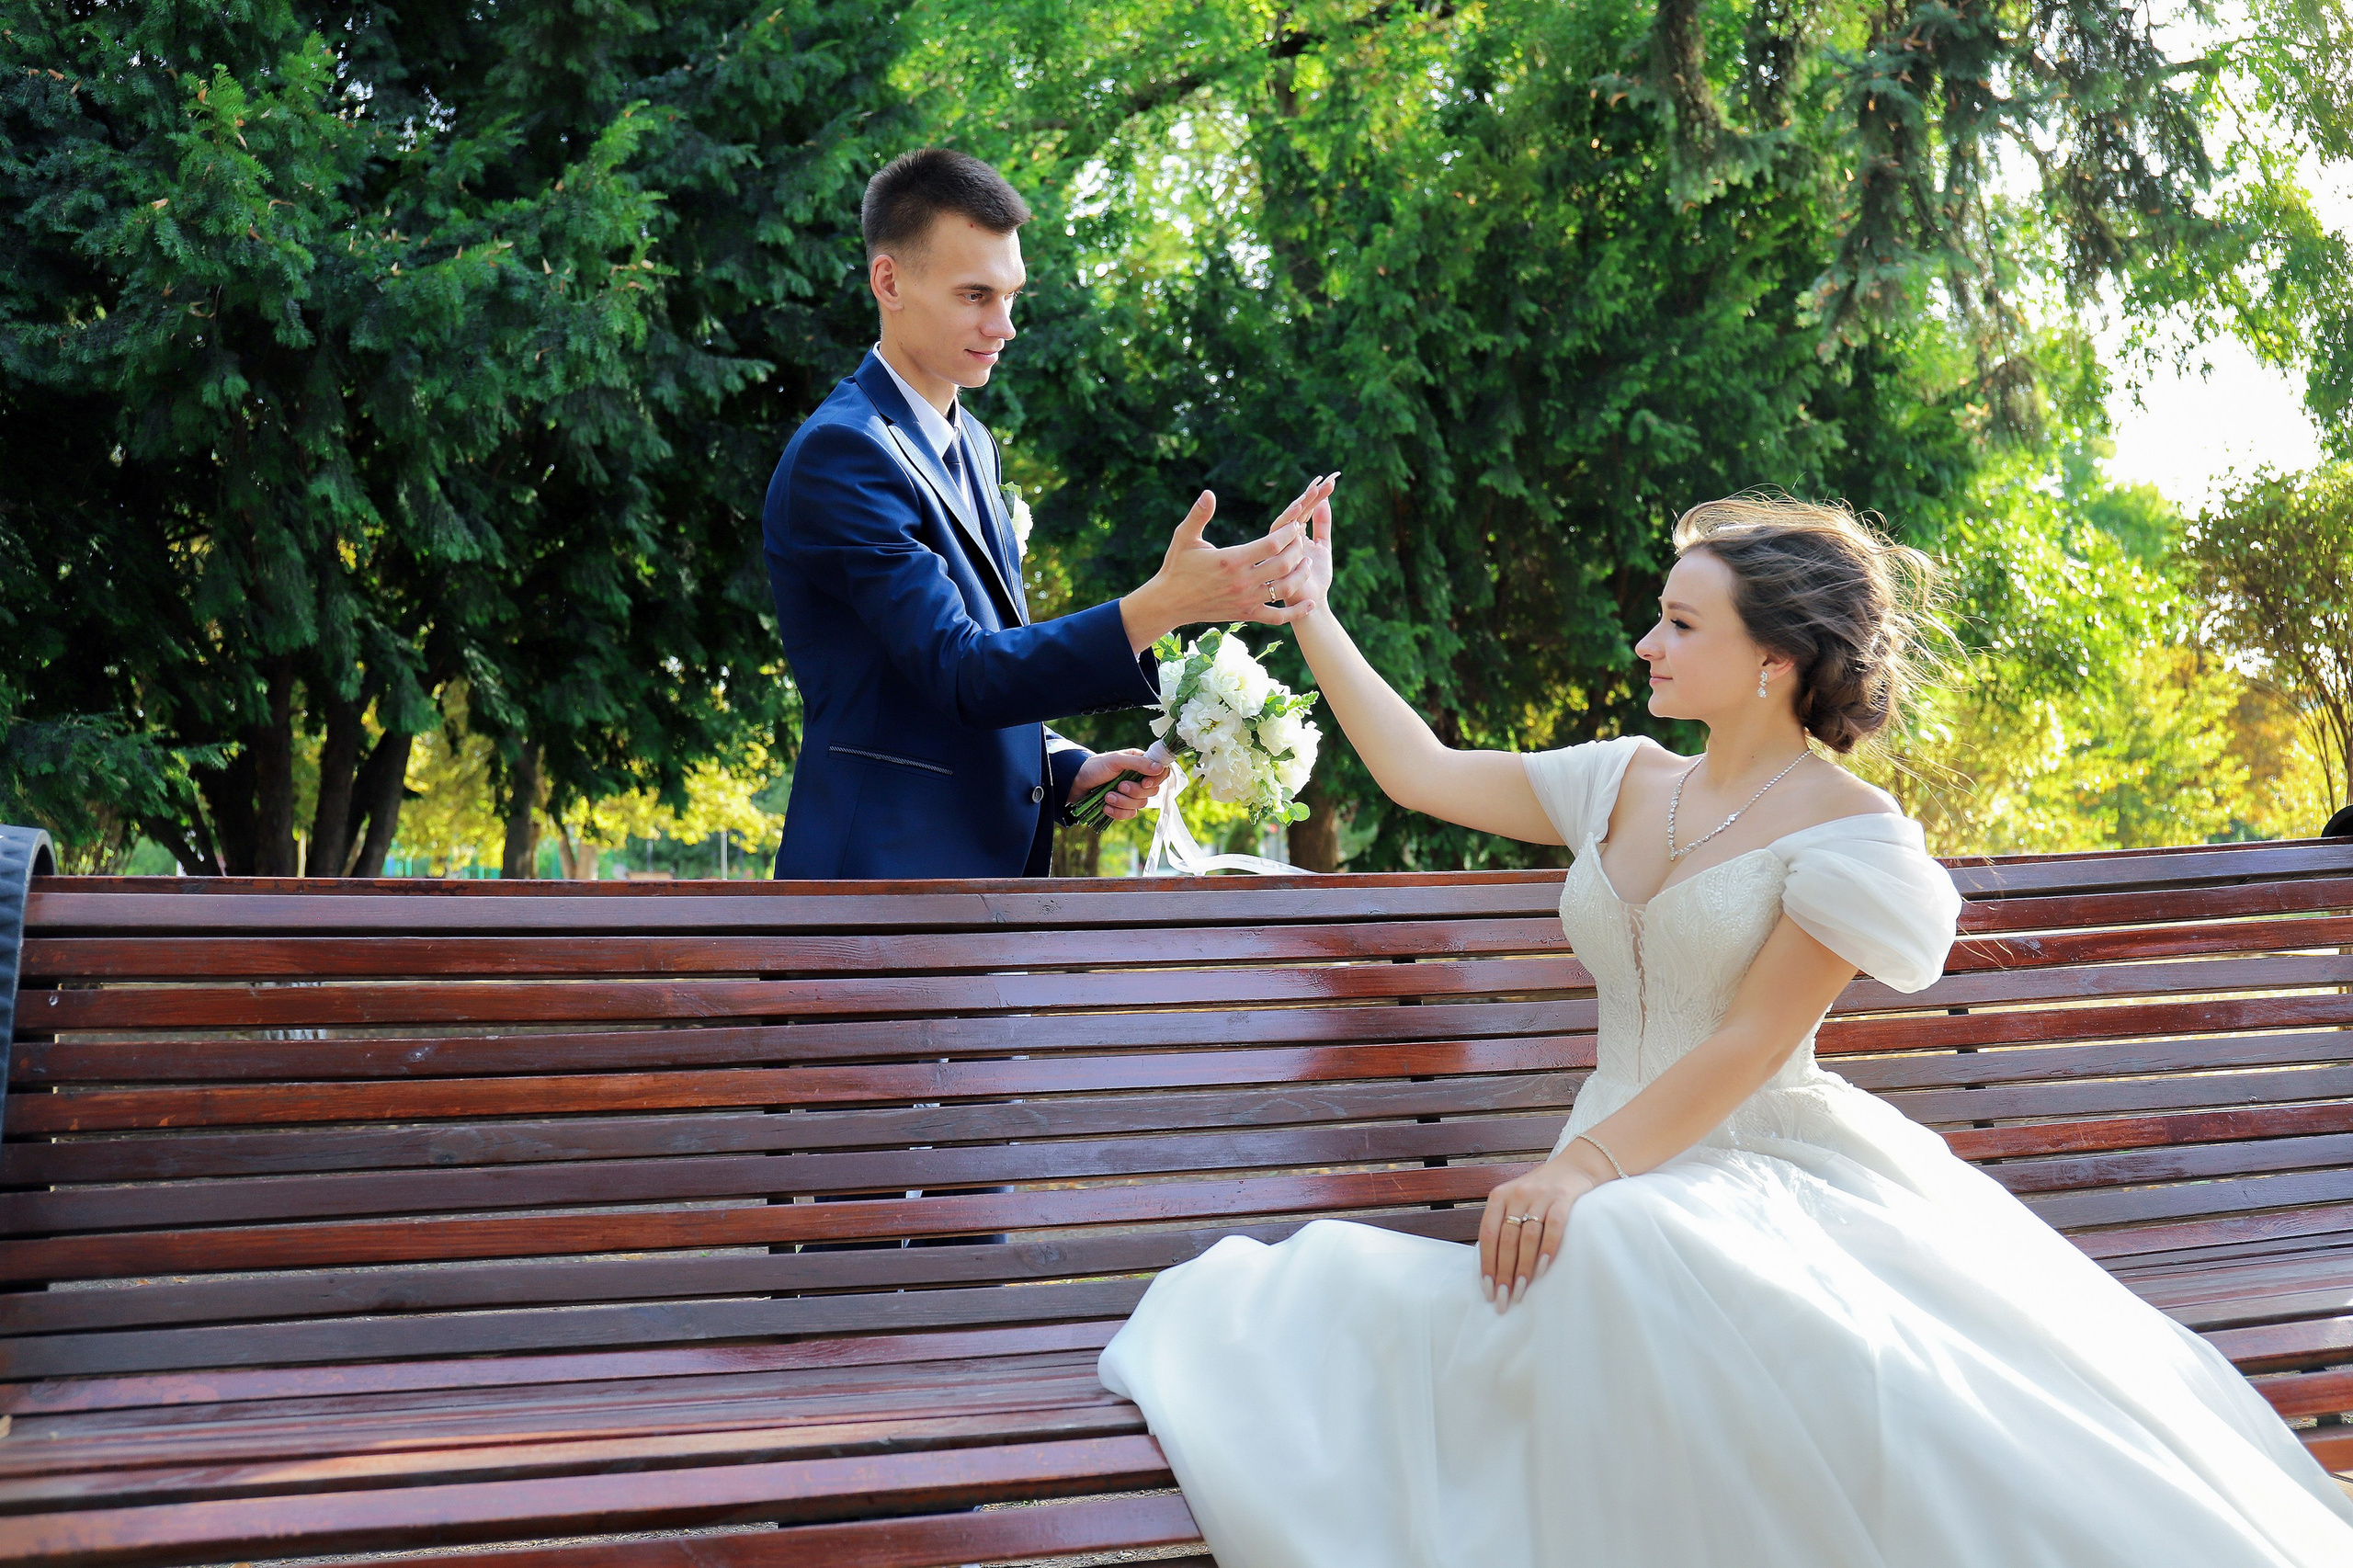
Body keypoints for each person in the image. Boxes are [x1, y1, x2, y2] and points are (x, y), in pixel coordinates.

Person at [1098, 489, 2353, 1565]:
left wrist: (1582, 1169)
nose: (1648, 641)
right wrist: (1312, 610)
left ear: (1774, 660)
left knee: (1638, 1249)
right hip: (1610, 1151)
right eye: (1660, 615)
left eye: (1682, 623)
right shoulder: (1620, 778)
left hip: (1758, 1162)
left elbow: (1751, 1041)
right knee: (1396, 1293)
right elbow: (1420, 769)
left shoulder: (1851, 833)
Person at [761, 148, 1320, 877]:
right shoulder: (844, 452)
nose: (1005, 325)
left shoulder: (974, 445)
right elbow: (962, 670)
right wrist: (1162, 605)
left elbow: (941, 684)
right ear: (889, 281)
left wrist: (1059, 765)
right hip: (878, 890)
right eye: (975, 296)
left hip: (977, 893)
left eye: (1011, 295)